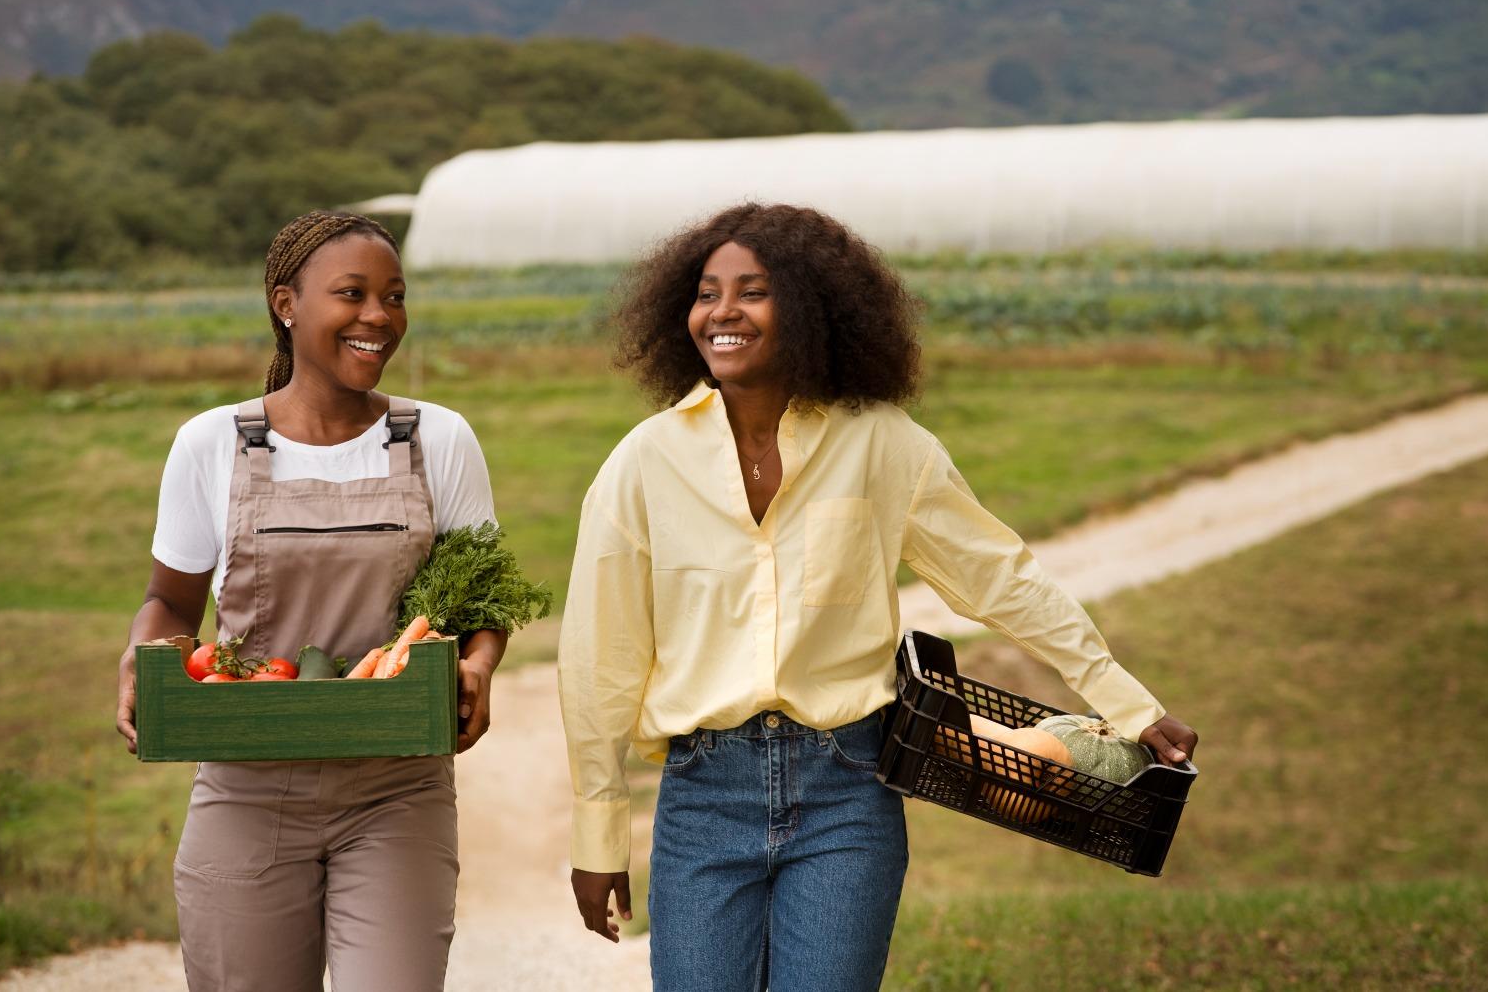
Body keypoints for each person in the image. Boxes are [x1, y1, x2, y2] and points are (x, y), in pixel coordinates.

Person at [558, 203, 1197, 991]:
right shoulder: (643, 463)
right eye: (705, 291)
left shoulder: (884, 444)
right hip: (702, 801)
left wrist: (1125, 701)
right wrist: (599, 833)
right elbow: (600, 658)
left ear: (812, 307)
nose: (721, 312)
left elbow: (1000, 577)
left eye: (751, 291)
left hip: (846, 796)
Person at [115, 210, 506, 991]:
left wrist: (481, 665)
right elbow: (168, 602)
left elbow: (483, 606)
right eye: (353, 294)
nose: (378, 318)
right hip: (245, 786)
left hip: (397, 789)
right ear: (286, 303)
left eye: (394, 297)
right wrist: (140, 657)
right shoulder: (211, 443)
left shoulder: (439, 438)